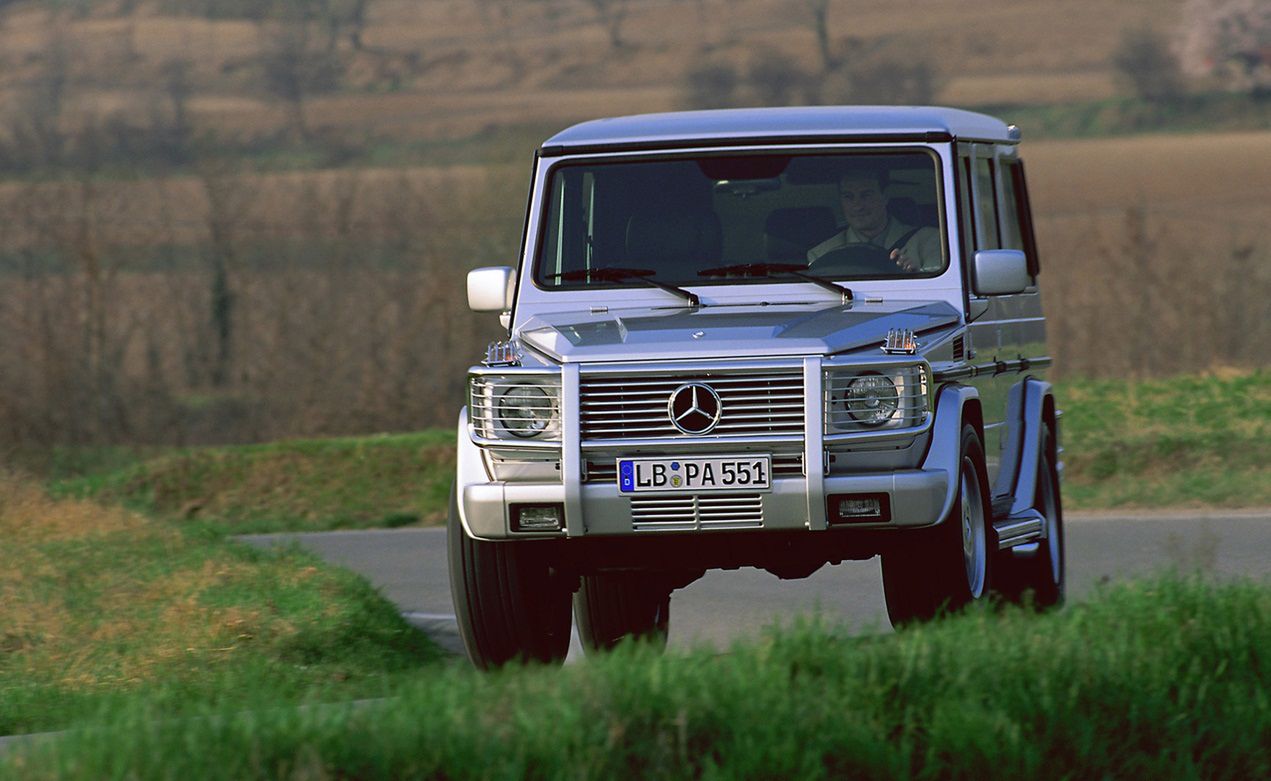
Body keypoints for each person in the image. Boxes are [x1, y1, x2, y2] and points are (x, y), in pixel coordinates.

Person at [807, 167, 942, 273]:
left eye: (866, 195)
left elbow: (941, 291)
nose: (857, 206)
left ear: (885, 197)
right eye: (848, 197)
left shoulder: (929, 241)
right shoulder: (822, 254)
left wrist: (916, 276)